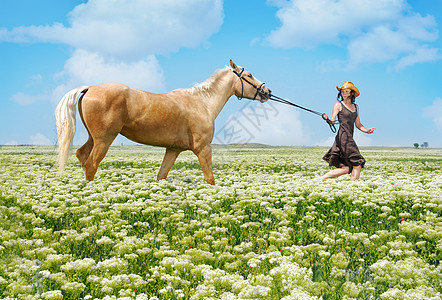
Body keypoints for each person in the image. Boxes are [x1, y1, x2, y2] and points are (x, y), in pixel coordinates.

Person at [319, 81, 375, 181]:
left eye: (346, 91)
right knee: (358, 163)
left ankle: (319, 180)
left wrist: (367, 130)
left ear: (351, 93)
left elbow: (358, 124)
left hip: (348, 137)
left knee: (346, 168)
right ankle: (353, 187)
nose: (344, 93)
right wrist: (326, 119)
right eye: (342, 91)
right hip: (344, 137)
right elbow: (332, 121)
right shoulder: (338, 105)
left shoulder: (356, 107)